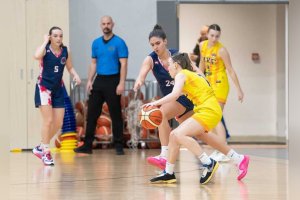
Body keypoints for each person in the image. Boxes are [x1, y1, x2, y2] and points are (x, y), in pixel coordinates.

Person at [147, 53, 249, 184]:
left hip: (208, 110)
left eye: (169, 65)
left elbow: (175, 94)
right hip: (208, 110)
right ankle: (169, 172)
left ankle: (208, 163)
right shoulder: (193, 75)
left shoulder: (181, 74)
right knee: (176, 136)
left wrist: (155, 103)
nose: (168, 69)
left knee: (176, 134)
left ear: (177, 65)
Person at [133, 25, 194, 169]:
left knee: (160, 114)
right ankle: (211, 162)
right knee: (193, 135)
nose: (155, 47)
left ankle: (164, 156)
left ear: (165, 41)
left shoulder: (177, 55)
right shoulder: (150, 59)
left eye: (158, 43)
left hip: (184, 97)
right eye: (152, 44)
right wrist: (138, 82)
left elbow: (193, 71)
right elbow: (142, 75)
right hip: (171, 99)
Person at [74, 16, 128, 155]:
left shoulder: (119, 42)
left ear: (112, 24)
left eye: (108, 23)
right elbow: (93, 63)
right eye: (103, 24)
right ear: (101, 25)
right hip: (99, 80)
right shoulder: (96, 43)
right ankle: (87, 145)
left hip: (113, 80)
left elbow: (123, 64)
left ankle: (118, 145)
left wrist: (121, 82)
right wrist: (90, 80)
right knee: (91, 114)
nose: (106, 26)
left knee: (116, 114)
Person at [32, 26, 81, 166]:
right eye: (55, 36)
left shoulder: (65, 51)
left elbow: (69, 67)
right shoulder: (45, 50)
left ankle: (41, 146)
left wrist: (75, 75)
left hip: (58, 89)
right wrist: (44, 42)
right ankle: (46, 151)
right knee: (48, 121)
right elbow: (36, 56)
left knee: (58, 122)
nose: (58, 38)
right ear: (50, 37)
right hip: (44, 88)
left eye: (60, 36)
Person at [198, 24, 244, 162]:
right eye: (212, 35)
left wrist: (239, 89)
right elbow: (202, 63)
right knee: (209, 119)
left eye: (217, 36)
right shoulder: (202, 46)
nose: (214, 38)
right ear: (207, 34)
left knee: (216, 117)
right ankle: (219, 149)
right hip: (209, 84)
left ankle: (224, 150)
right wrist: (200, 78)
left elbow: (230, 70)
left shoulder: (222, 50)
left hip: (220, 84)